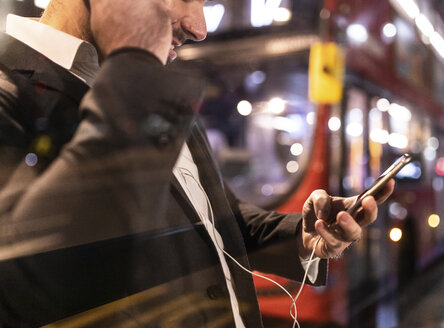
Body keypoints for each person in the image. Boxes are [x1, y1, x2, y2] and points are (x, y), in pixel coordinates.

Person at [0, 0, 394, 326]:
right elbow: (30, 288)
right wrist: (134, 62)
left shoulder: (155, 89)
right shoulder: (11, 90)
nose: (200, 26)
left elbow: (213, 220)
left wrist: (303, 239)